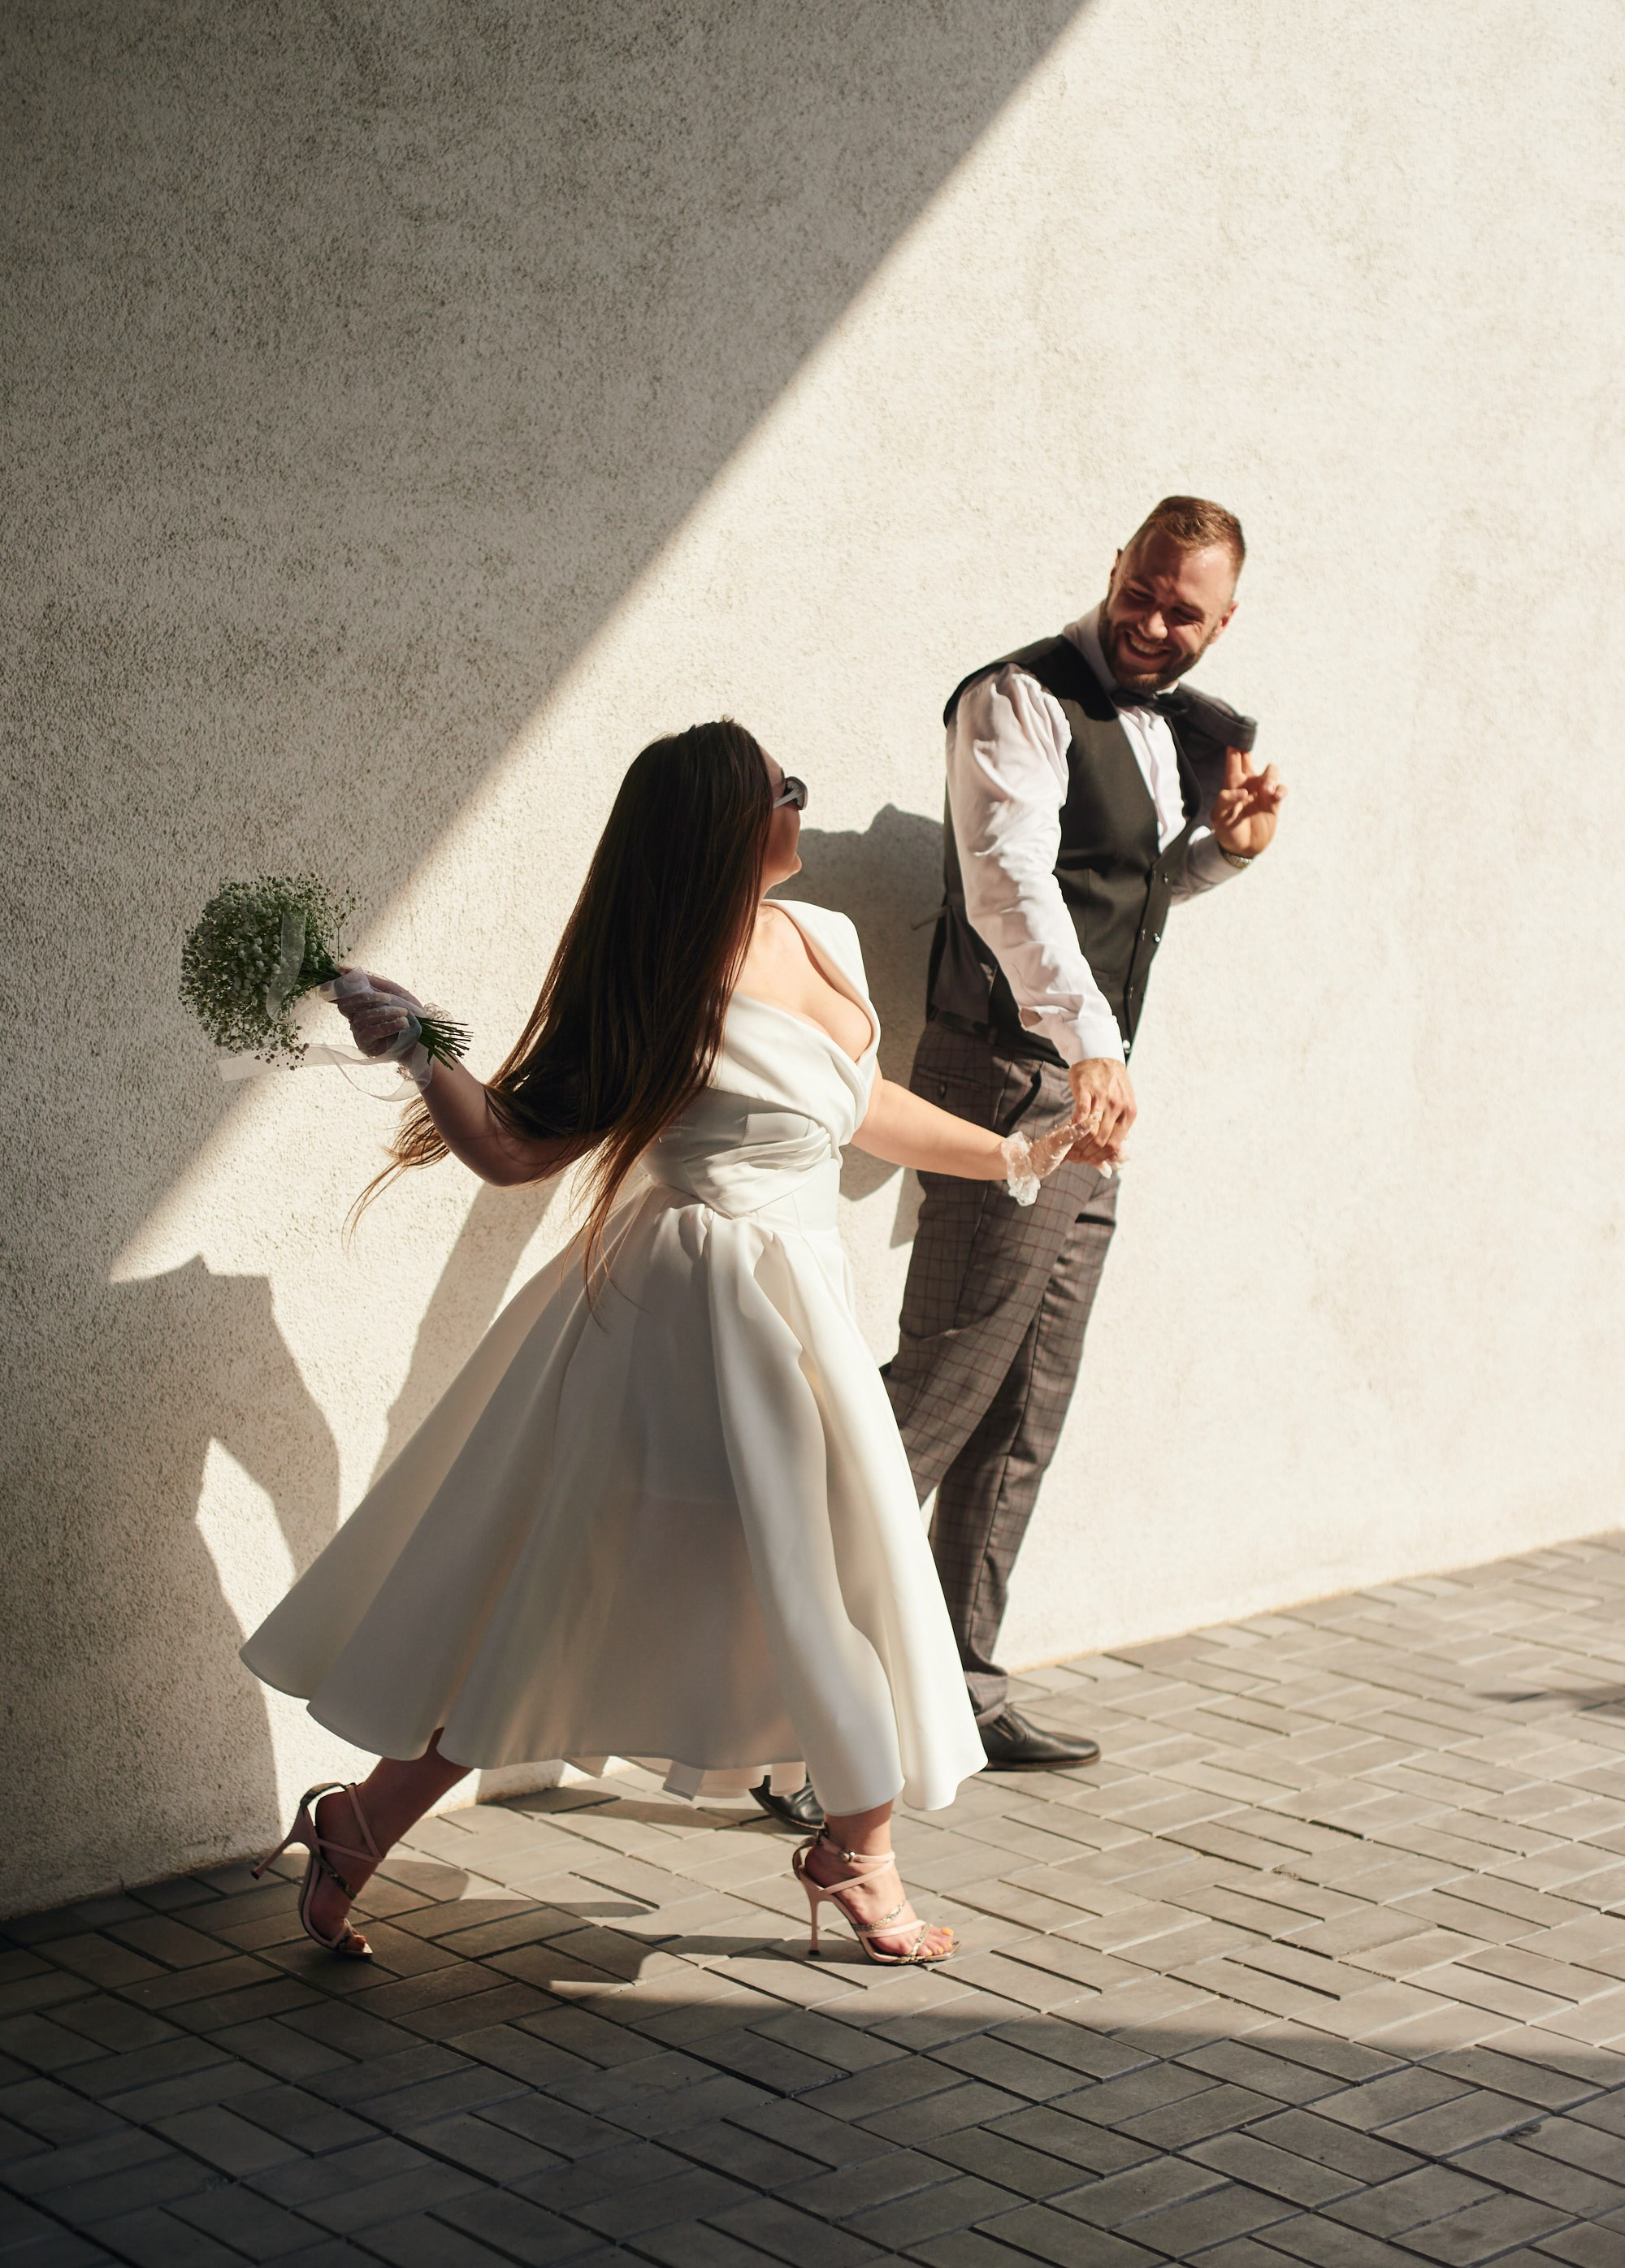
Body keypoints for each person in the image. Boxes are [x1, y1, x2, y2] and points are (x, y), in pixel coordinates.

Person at [241, 721, 1100, 1965]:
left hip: (795, 1309)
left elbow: (859, 1106)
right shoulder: (654, 984)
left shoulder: (826, 938)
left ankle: (375, 1825)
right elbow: (520, 1151)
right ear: (724, 830)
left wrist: (1015, 1153)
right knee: (614, 1587)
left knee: (779, 1578)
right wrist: (423, 1050)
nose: (801, 806)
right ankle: (847, 1855)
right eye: (783, 794)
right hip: (692, 1320)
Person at [883, 496, 1287, 1772]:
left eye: (1187, 610)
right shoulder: (1016, 697)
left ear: (1227, 619)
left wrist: (1225, 856)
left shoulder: (1177, 729)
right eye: (1145, 591)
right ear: (1116, 568)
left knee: (1028, 1401)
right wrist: (1089, 1046)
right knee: (944, 1388)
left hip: (1085, 1092)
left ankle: (962, 1683)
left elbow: (1123, 885)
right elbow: (1010, 885)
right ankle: (802, 1712)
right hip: (1011, 1075)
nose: (1156, 622)